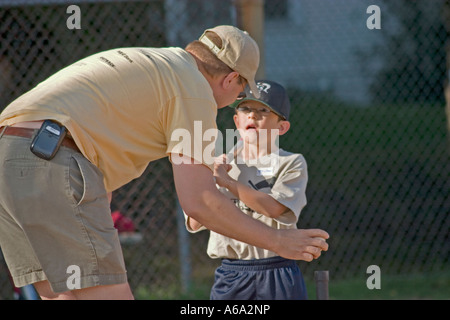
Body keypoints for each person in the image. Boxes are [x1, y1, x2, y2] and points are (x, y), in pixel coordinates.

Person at [0, 25, 328, 300]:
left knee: (62, 295)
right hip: (52, 158)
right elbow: (199, 202)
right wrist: (279, 241)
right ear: (230, 80)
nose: (234, 104)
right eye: (241, 95)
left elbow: (92, 133)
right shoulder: (194, 90)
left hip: (11, 154)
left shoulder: (156, 61)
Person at [186, 80, 314, 300]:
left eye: (263, 111)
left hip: (277, 269)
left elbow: (274, 209)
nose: (252, 116)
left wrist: (229, 183)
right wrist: (210, 181)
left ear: (281, 127)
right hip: (232, 273)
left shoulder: (290, 162)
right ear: (237, 121)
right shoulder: (216, 165)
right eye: (245, 109)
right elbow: (195, 221)